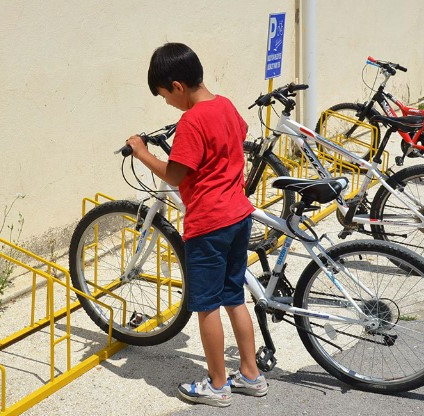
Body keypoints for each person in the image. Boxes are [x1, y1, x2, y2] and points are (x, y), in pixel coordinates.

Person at [125, 42, 268, 408]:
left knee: (206, 305)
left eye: (164, 96)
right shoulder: (224, 105)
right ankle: (250, 374)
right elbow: (238, 132)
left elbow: (174, 174)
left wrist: (143, 154)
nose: (167, 104)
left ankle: (218, 384)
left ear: (177, 86)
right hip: (238, 215)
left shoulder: (191, 121)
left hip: (208, 224)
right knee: (235, 297)